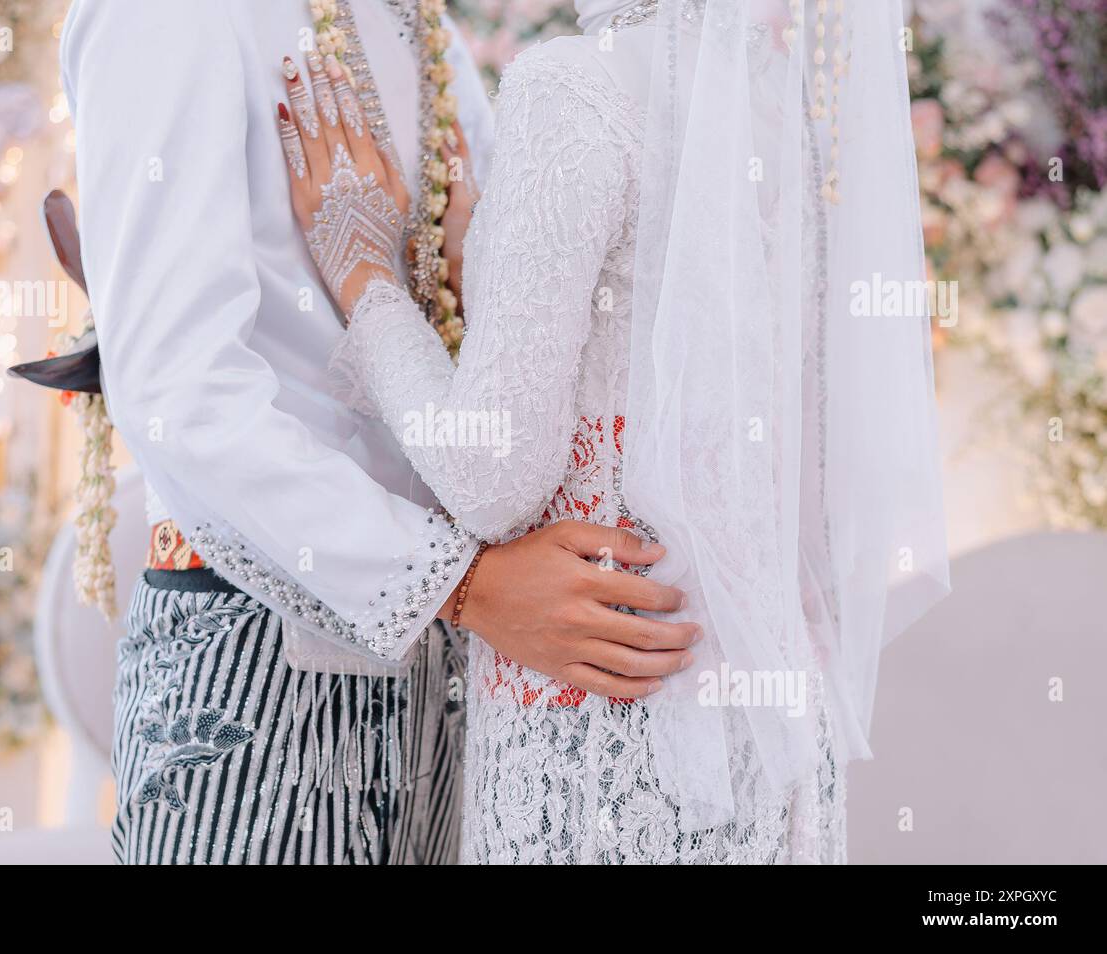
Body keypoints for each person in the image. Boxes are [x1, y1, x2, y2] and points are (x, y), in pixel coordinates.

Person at [278, 0, 951, 863]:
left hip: (602, 731)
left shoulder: (574, 85)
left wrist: (366, 281)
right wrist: (484, 252)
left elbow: (488, 476)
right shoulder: (776, 103)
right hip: (767, 740)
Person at [61, 0, 691, 864]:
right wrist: (461, 587)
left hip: (465, 666)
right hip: (261, 662)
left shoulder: (421, 24)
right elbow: (179, 389)